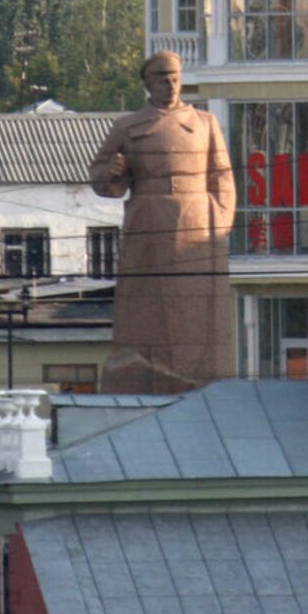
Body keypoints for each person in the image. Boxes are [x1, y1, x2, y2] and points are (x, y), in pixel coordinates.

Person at [88, 53, 236, 393]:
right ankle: (145, 368)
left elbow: (223, 176)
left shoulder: (205, 122)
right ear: (147, 83)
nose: (170, 85)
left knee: (195, 300)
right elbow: (101, 176)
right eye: (162, 79)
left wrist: (220, 220)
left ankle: (197, 371)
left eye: (175, 78)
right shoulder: (127, 126)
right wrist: (112, 173)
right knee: (148, 299)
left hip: (198, 220)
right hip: (148, 220)